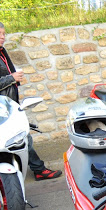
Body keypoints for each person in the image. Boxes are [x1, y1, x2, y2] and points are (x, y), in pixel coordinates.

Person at [0, 22, 61, 181]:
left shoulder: (2, 52)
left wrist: (13, 80)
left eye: (4, 34)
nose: (2, 37)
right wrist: (11, 78)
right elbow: (7, 78)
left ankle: (35, 169)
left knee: (23, 136)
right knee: (22, 136)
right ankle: (37, 169)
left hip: (9, 104)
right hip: (2, 108)